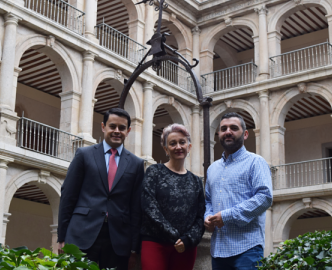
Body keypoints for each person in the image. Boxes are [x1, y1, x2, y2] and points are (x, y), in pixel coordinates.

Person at [57, 108, 144, 270]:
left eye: (122, 128)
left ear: (128, 130)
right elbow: (68, 196)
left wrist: (134, 247)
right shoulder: (84, 154)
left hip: (118, 239)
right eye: (112, 126)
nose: (117, 131)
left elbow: (136, 208)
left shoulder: (136, 164)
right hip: (82, 233)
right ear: (103, 127)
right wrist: (62, 236)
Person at [204, 112, 273, 270]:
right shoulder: (213, 168)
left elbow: (264, 197)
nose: (228, 131)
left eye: (234, 128)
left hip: (247, 249)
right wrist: (207, 216)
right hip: (218, 251)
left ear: (245, 134)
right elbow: (208, 199)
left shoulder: (256, 162)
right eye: (223, 128)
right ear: (219, 134)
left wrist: (227, 216)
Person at [141, 123, 205, 270]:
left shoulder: (196, 181)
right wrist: (174, 235)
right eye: (172, 143)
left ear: (189, 146)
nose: (178, 147)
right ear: (166, 149)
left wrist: (188, 239)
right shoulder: (154, 172)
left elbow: (200, 216)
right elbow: (149, 207)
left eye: (182, 142)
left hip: (185, 247)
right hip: (155, 242)